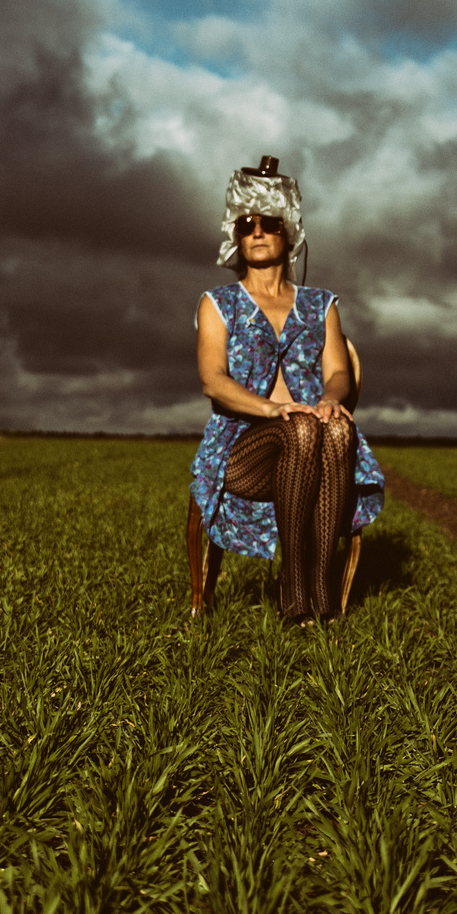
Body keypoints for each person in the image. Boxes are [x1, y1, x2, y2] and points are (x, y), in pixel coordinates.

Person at [189, 156, 385, 620]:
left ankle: (318, 596)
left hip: (312, 440)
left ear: (289, 232)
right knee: (299, 427)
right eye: (247, 224)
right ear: (236, 236)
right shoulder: (219, 304)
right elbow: (212, 381)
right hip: (241, 451)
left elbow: (339, 373)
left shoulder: (321, 304)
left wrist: (331, 402)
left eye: (269, 223)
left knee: (335, 430)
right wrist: (272, 409)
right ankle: (295, 591)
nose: (256, 231)